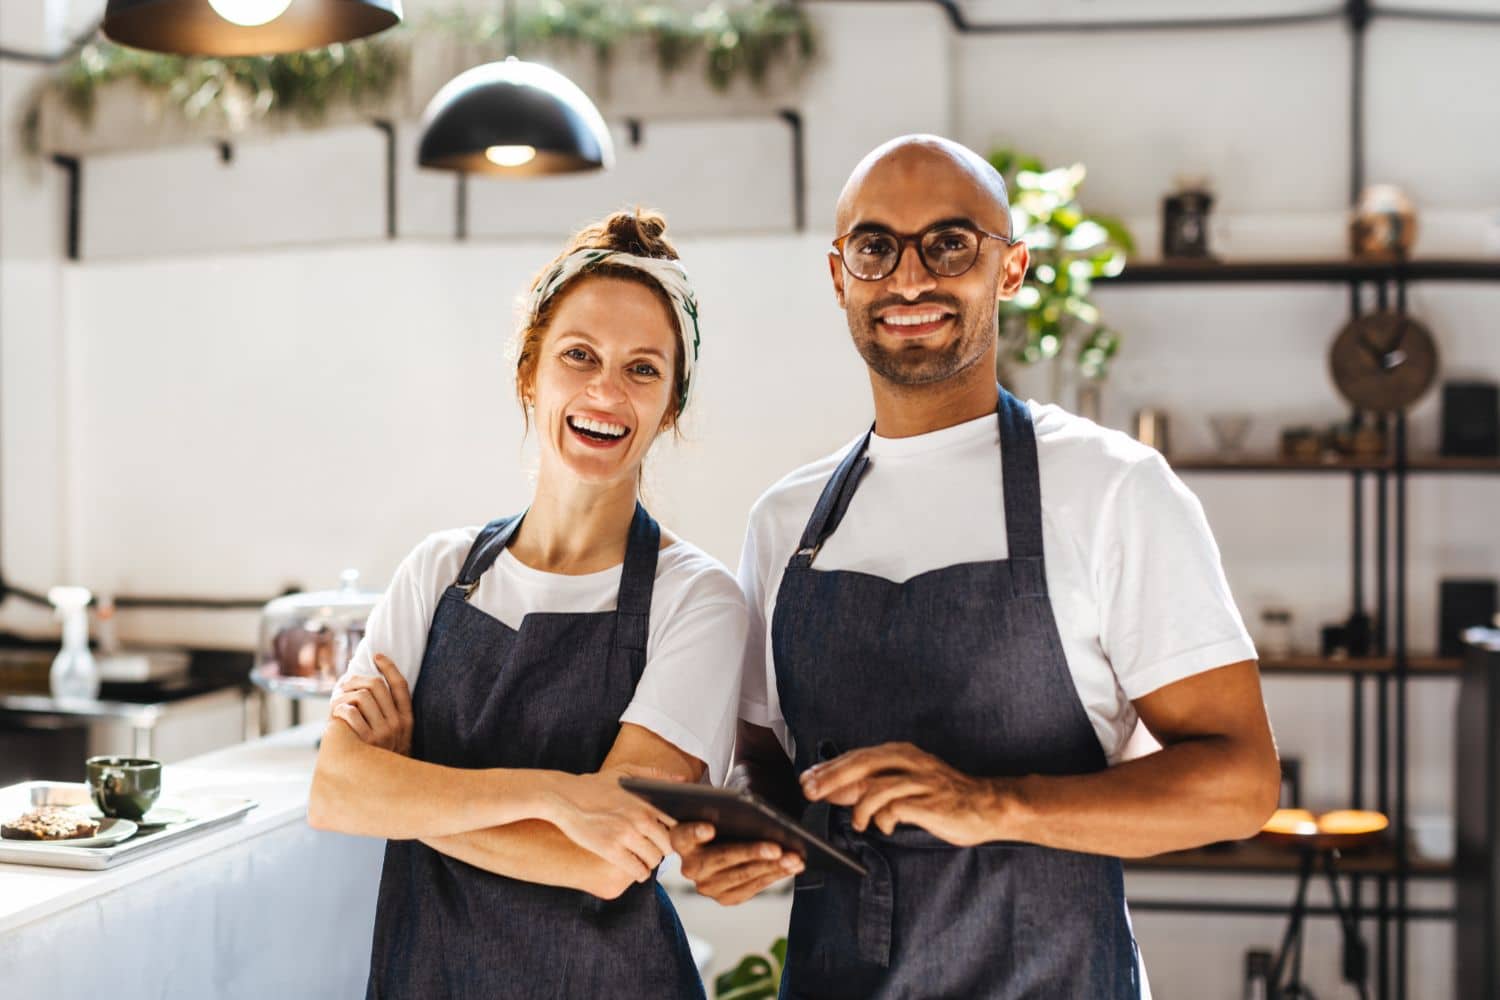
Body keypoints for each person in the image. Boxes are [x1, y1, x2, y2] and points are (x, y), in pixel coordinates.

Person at [670, 135, 1281, 999]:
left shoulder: (1111, 489)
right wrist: (745, 841)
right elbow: (766, 760)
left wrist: (993, 803)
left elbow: (1241, 784)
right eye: (877, 247)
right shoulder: (786, 521)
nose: (910, 279)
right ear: (840, 276)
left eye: (950, 243)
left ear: (1011, 270)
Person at [308, 209, 747, 999]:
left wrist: (407, 784)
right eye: (579, 356)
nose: (607, 391)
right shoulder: (437, 571)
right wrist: (556, 795)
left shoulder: (697, 600)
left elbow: (604, 859)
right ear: (529, 373)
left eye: (643, 369)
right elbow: (336, 793)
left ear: (671, 404)